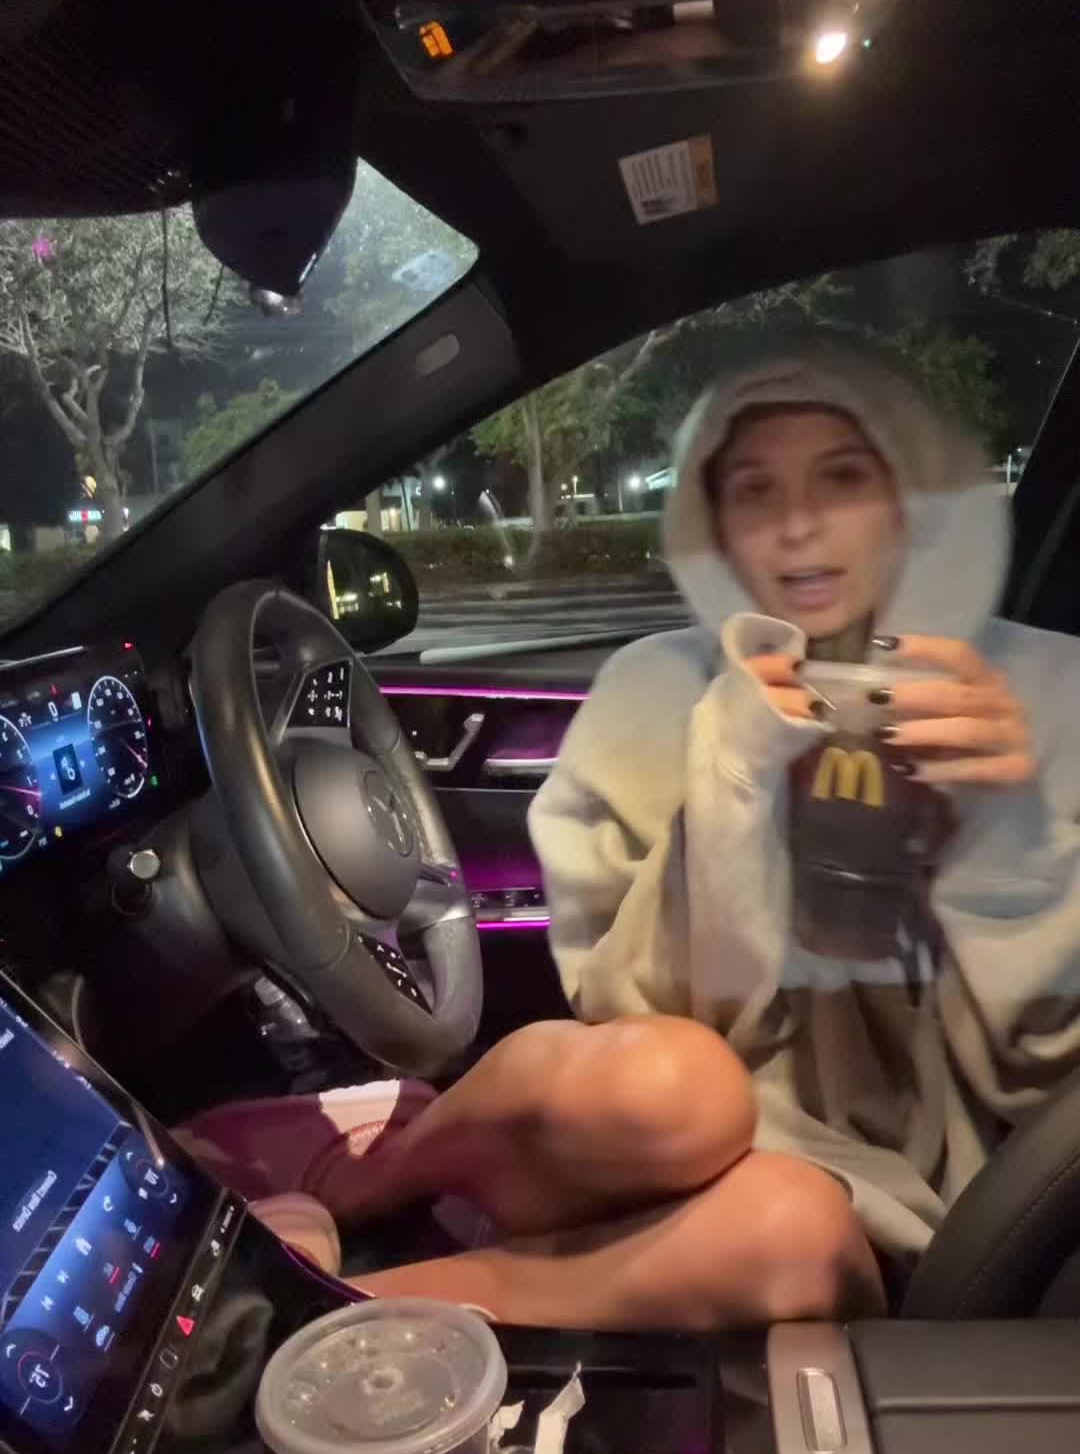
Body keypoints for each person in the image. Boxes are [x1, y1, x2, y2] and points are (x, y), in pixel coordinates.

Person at [180, 337, 1080, 1329]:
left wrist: (1014, 835)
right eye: (755, 491)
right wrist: (734, 774)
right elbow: (631, 1018)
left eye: (844, 479)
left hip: (919, 1198)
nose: (800, 526)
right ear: (716, 526)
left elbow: (1046, 1081)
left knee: (792, 1235)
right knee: (673, 1085)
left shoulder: (1047, 694)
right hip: (653, 1124)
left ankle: (309, 1315)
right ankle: (365, 1177)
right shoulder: (655, 694)